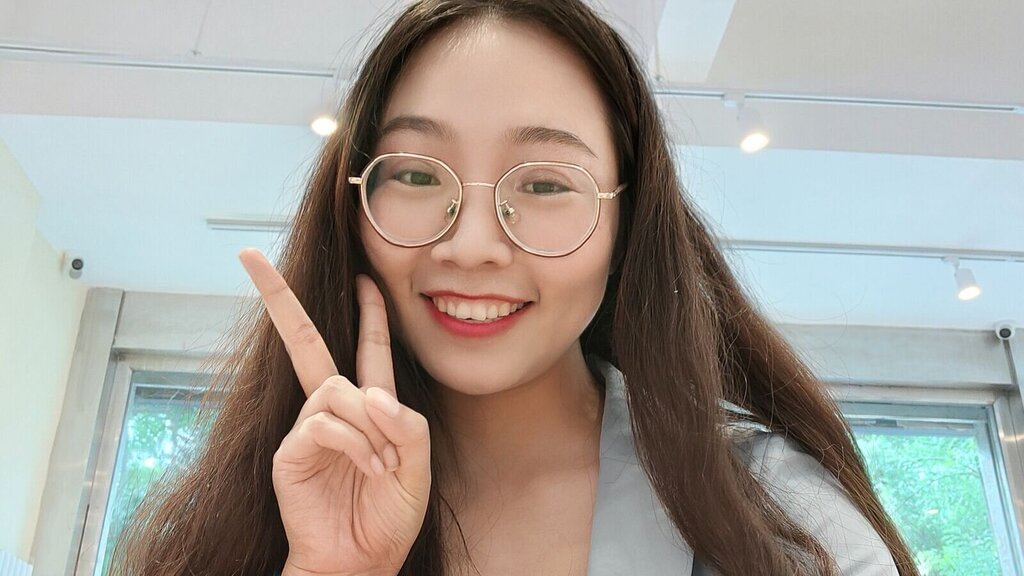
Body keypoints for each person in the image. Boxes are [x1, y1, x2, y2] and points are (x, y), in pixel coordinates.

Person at [113, 1, 920, 574]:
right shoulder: (247, 511)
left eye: (544, 184)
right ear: (354, 201)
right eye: (418, 174)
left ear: (627, 222)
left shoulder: (781, 523)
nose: (470, 246)